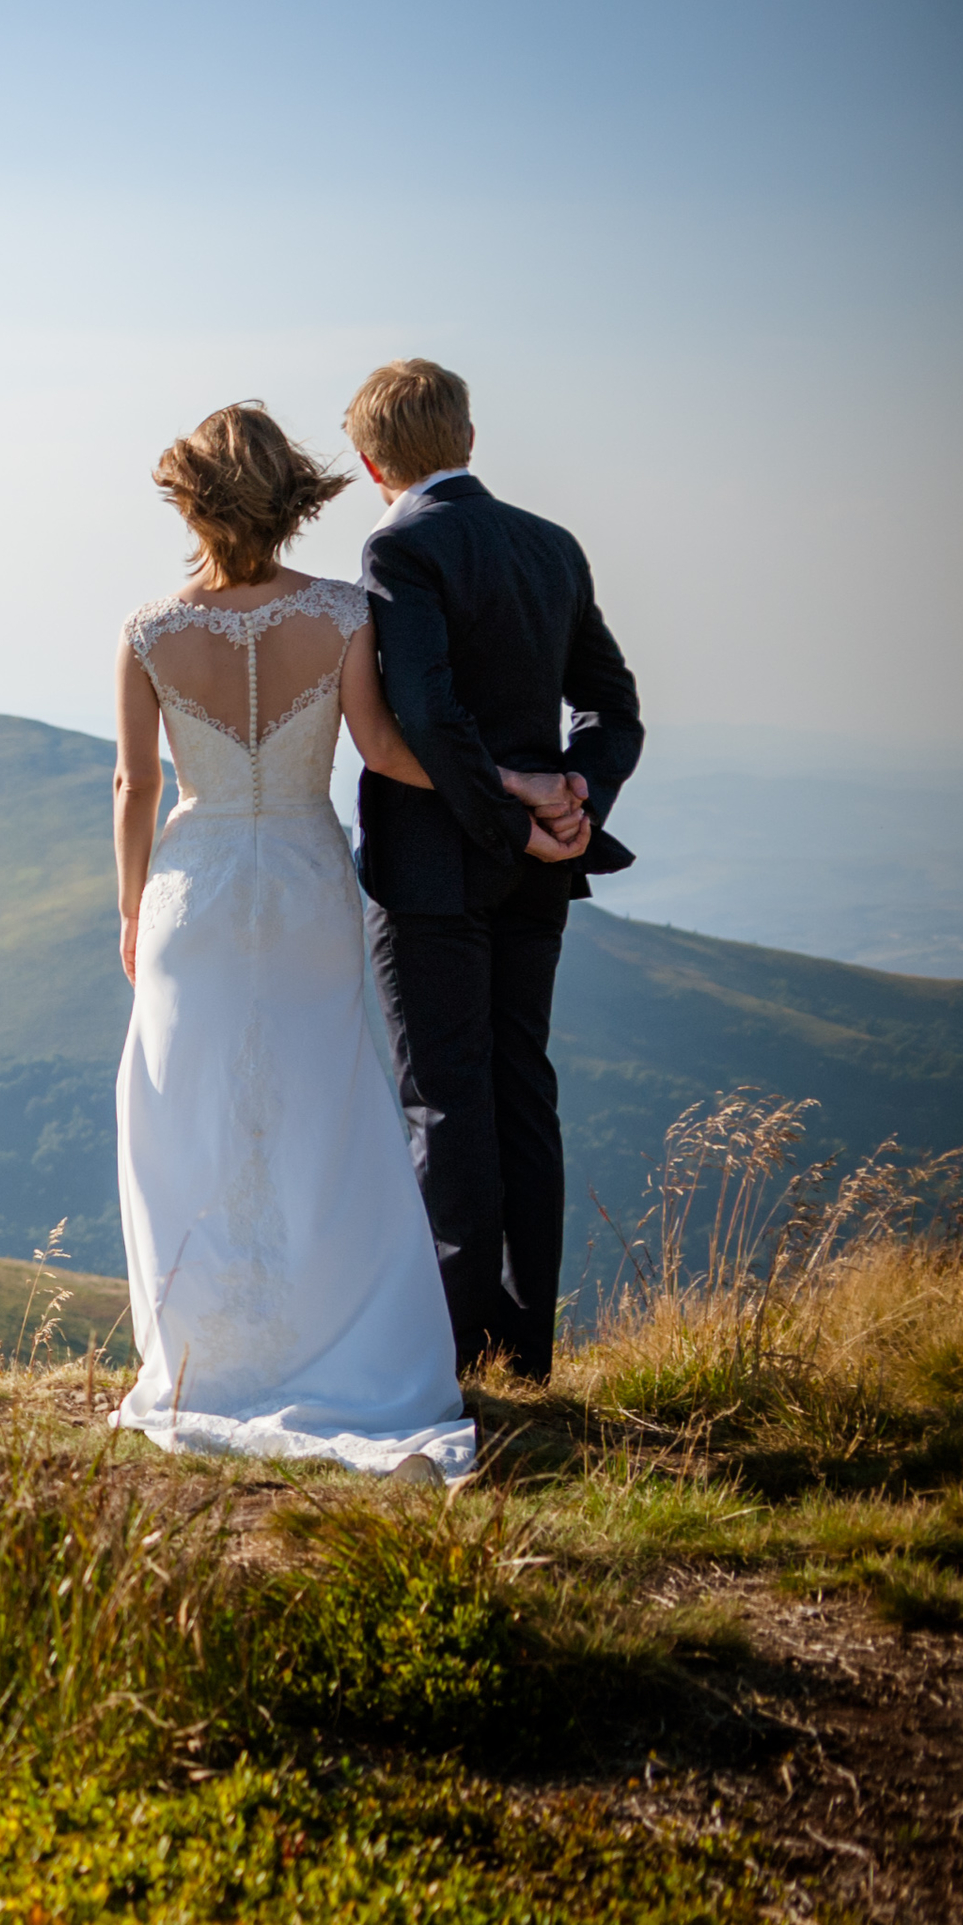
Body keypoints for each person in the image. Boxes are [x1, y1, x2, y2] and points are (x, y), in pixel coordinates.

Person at [108, 402, 543, 1481]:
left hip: (192, 896)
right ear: (288, 497)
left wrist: (126, 908)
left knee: (189, 1116)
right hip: (304, 887)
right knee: (325, 1114)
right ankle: (335, 1346)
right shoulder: (344, 613)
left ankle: (211, 1359)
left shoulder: (149, 632)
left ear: (191, 504)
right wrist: (518, 790)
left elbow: (136, 784)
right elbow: (389, 753)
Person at [341, 358, 642, 1383]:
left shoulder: (397, 543)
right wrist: (574, 797)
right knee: (522, 1090)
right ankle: (526, 1354)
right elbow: (613, 706)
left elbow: (424, 710)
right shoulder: (548, 545)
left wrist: (507, 821)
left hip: (438, 865)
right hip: (538, 871)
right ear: (468, 439)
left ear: (370, 459)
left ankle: (456, 1353)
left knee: (444, 1099)